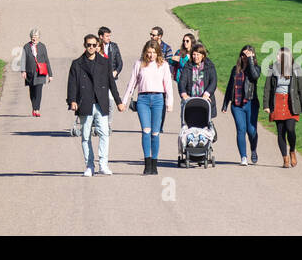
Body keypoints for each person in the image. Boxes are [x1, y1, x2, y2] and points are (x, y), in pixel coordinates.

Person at [67, 33, 125, 176]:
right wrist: (72, 101)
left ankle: (103, 164)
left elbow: (112, 84)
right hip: (85, 103)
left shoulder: (104, 63)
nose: (91, 47)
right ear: (84, 45)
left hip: (101, 103)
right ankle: (89, 165)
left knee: (104, 134)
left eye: (94, 45)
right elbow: (72, 84)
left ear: (98, 46)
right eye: (88, 45)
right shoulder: (77, 63)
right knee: (85, 136)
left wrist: (119, 102)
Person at [121, 39, 174, 174]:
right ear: (145, 52)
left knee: (155, 133)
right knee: (146, 131)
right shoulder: (139, 64)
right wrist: (124, 101)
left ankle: (154, 164)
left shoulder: (163, 65)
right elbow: (132, 83)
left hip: (158, 99)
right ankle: (147, 163)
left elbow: (168, 85)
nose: (151, 55)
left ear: (158, 53)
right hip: (143, 99)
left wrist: (169, 102)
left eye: (154, 53)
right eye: (149, 52)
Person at [263, 47, 302, 168]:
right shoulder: (272, 68)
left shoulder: (296, 68)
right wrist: (266, 105)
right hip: (277, 101)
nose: (277, 57)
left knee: (290, 129)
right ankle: (285, 158)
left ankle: (292, 150)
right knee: (280, 132)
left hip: (291, 102)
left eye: (279, 56)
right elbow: (267, 87)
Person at [222, 44, 262, 165]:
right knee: (241, 129)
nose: (244, 57)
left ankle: (253, 149)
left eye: (248, 55)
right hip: (236, 104)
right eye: (243, 55)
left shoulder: (256, 68)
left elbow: (254, 76)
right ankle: (243, 157)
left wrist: (250, 61)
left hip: (251, 103)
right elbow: (230, 87)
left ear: (253, 56)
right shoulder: (235, 69)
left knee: (251, 130)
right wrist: (225, 103)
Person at [178, 43, 218, 122]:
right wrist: (184, 94)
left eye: (198, 54)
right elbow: (182, 81)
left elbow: (213, 81)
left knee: (205, 126)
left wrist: (207, 94)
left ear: (203, 55)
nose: (195, 57)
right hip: (191, 101)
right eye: (194, 54)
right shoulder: (188, 66)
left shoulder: (209, 66)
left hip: (204, 100)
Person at [22, 28, 53, 117]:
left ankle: (37, 109)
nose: (34, 38)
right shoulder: (26, 46)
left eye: (35, 36)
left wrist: (50, 75)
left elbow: (46, 60)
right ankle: (34, 108)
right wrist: (23, 71)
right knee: (32, 92)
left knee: (38, 92)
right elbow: (23, 59)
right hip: (30, 73)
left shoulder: (42, 46)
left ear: (39, 37)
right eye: (32, 36)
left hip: (40, 73)